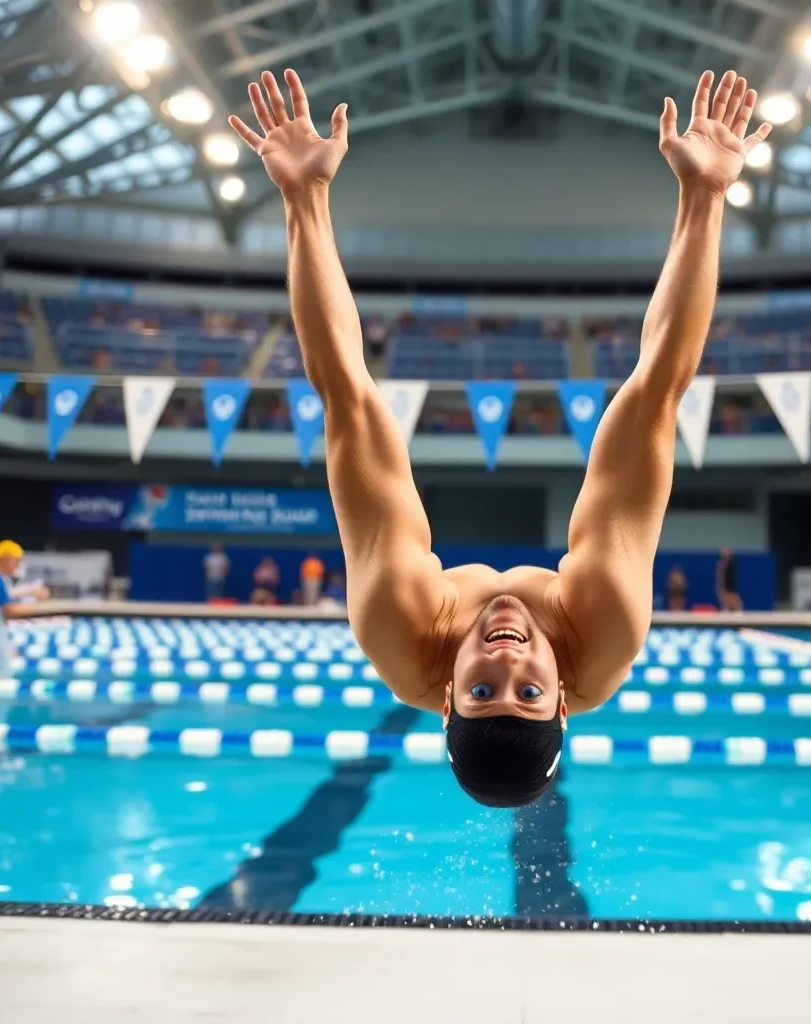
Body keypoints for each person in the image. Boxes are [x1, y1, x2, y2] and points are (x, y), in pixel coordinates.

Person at [231, 67, 770, 807]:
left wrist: (303, 195)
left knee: (350, 409)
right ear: (564, 702)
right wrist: (706, 194)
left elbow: (347, 395)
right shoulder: (605, 625)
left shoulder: (398, 623)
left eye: (484, 688)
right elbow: (656, 391)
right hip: (586, 614)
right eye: (528, 690)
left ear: (446, 700)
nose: (507, 656)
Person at [0, 541, 49, 681]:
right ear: (4, 558)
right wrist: (42, 610)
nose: (18, 566)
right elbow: (9, 611)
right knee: (0, 675)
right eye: (16, 561)